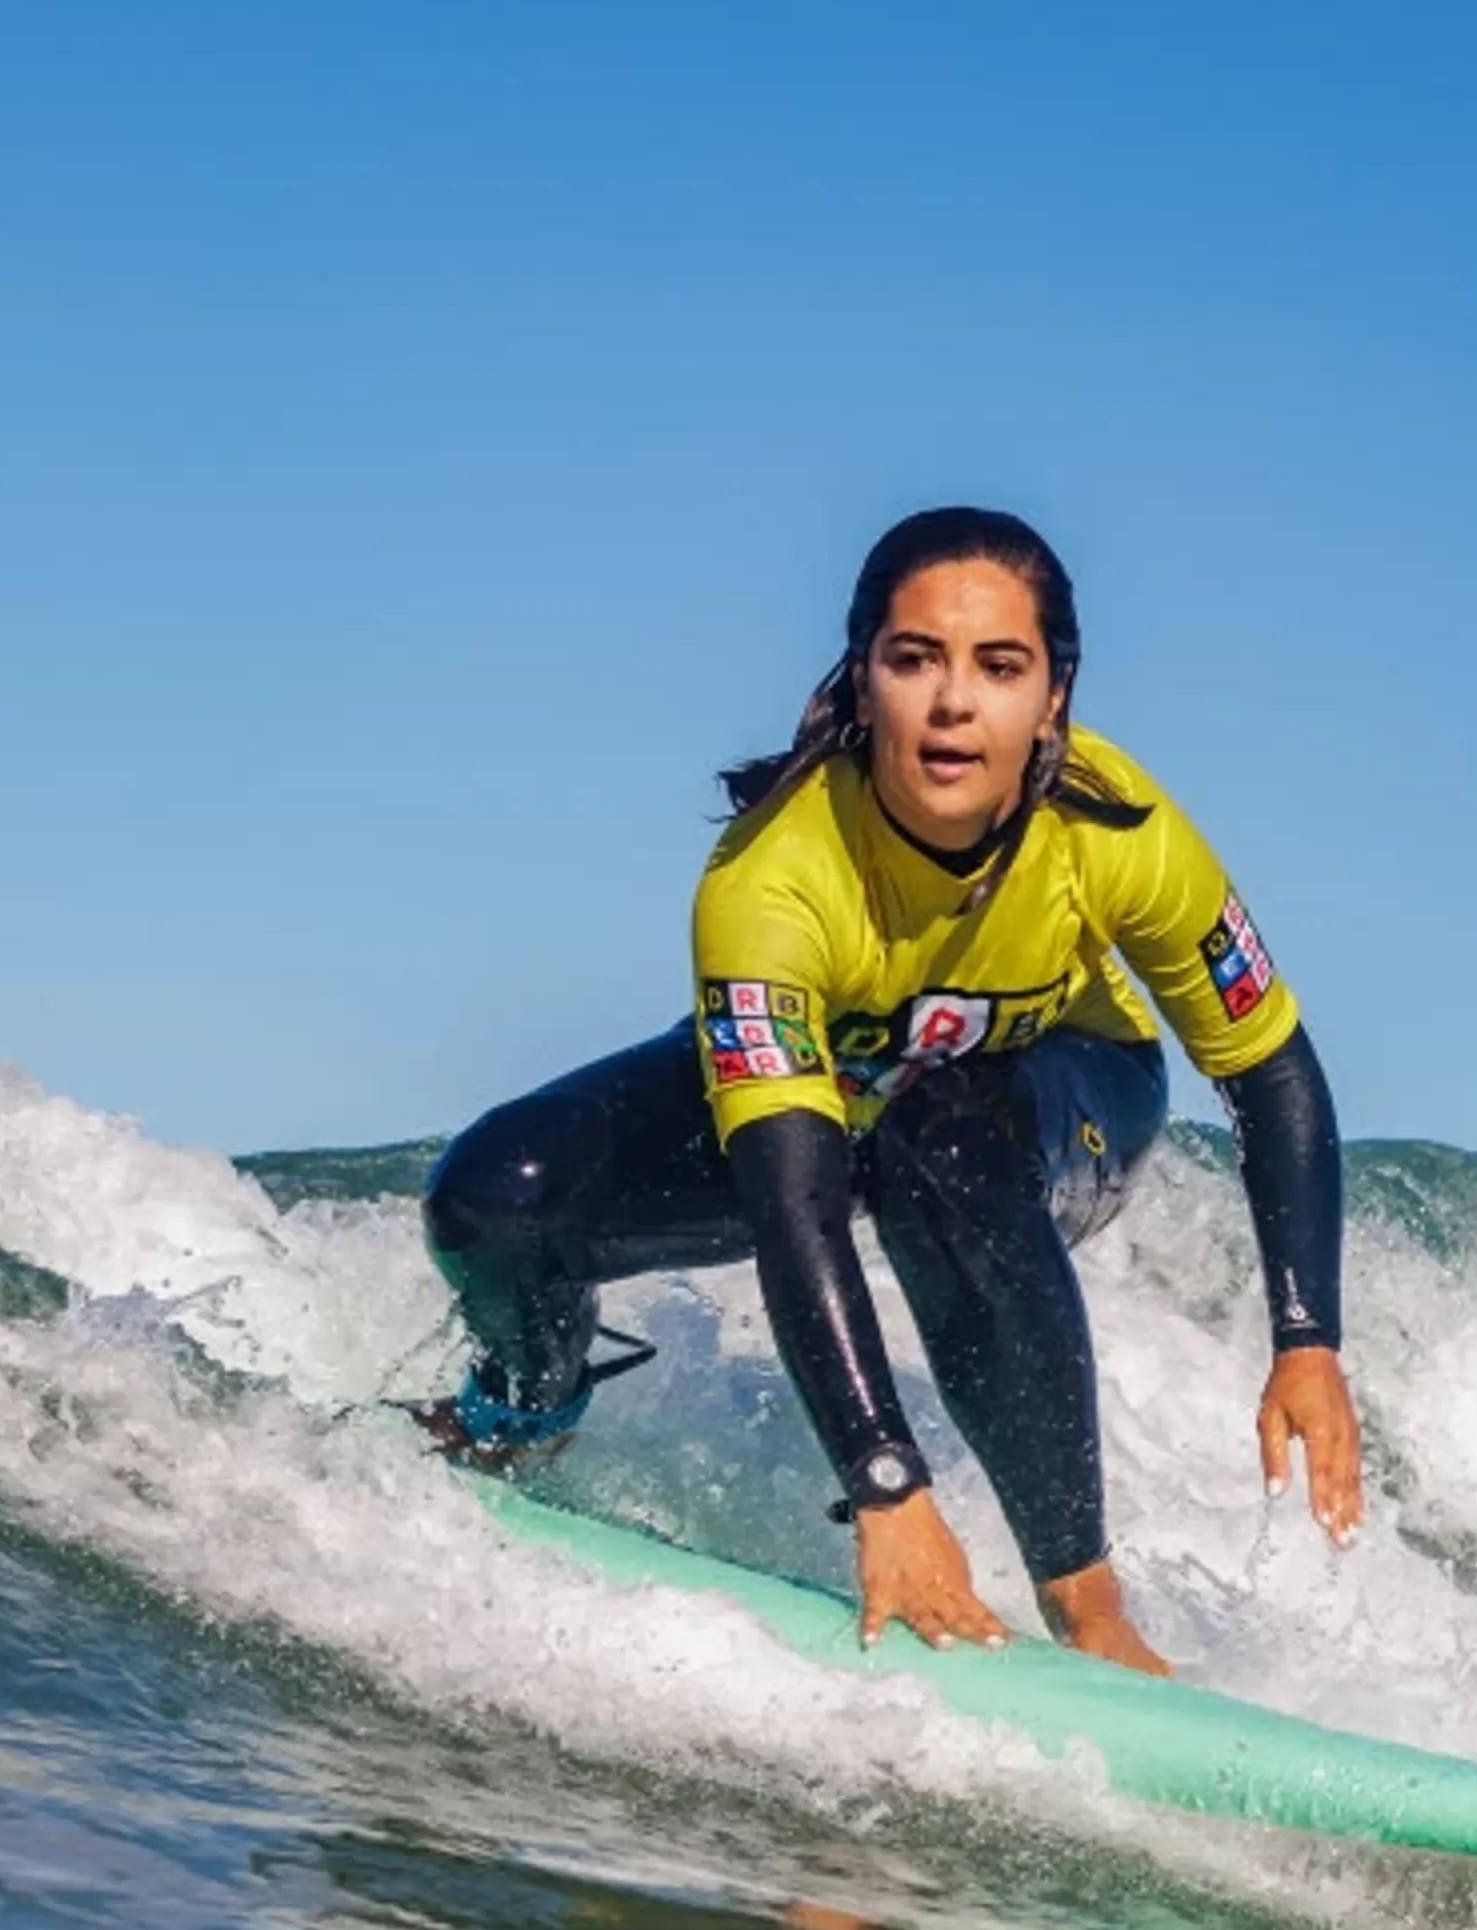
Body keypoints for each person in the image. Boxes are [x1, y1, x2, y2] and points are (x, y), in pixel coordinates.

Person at [417, 507, 1360, 1673]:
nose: (954, 702)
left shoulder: (1120, 831)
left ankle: (1091, 1606)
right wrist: (887, 1483)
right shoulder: (770, 874)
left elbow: (1268, 1069)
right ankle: (522, 1418)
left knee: (941, 1139)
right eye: (915, 659)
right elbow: (790, 1203)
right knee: (497, 1196)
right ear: (862, 679)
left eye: (999, 667)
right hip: (841, 1098)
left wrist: (1306, 1338)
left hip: (1062, 1095)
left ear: (1052, 697)